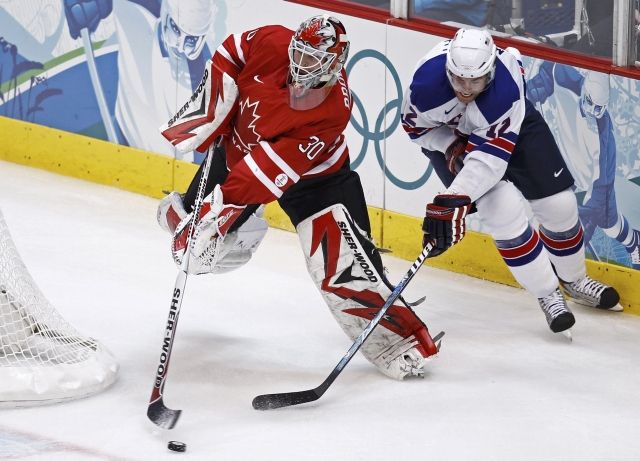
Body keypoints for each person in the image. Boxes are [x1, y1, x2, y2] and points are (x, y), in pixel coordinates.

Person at [156, 14, 441, 380]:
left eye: (313, 59)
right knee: (190, 247)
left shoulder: (332, 107)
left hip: (315, 181)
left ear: (335, 63)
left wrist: (219, 213)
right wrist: (216, 109)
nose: (301, 65)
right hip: (241, 153)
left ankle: (397, 342)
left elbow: (262, 172)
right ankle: (235, 232)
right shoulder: (272, 41)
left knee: (341, 267)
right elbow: (233, 50)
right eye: (299, 53)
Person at [401, 28, 623, 336]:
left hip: (510, 126)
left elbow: (489, 162)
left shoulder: (505, 88)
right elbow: (417, 130)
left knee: (559, 205)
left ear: (490, 71)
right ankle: (549, 294)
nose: (466, 88)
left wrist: (454, 198)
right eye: (459, 79)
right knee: (500, 209)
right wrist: (449, 145)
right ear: (448, 69)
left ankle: (575, 280)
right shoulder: (424, 85)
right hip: (453, 137)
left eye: (475, 80)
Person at [63, 0, 222, 162]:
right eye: (175, 29)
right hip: (123, 135)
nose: (179, 46)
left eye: (191, 40)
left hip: (162, 165)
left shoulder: (202, 83)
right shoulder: (141, 11)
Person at [527, 63, 640, 270]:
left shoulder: (605, 139)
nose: (593, 112)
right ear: (584, 91)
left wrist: (582, 228)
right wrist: (536, 90)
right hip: (566, 160)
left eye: (600, 108)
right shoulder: (565, 77)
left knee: (609, 225)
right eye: (590, 104)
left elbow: (598, 196)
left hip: (592, 180)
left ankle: (634, 242)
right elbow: (549, 69)